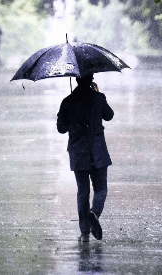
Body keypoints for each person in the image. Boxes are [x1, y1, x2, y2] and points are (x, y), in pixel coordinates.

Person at [56, 74, 114, 242]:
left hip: (78, 151)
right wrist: (99, 94)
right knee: (101, 189)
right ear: (91, 81)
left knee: (83, 190)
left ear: (76, 80)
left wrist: (68, 116)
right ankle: (94, 213)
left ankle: (84, 232)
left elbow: (61, 128)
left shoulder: (67, 101)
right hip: (98, 151)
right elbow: (109, 115)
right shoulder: (98, 98)